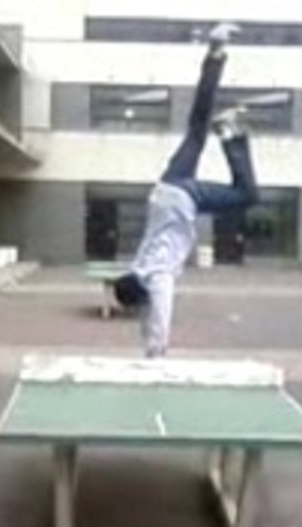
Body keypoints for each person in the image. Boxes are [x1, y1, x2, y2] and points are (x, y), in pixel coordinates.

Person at [112, 22, 259, 357]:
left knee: (248, 196)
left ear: (142, 296)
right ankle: (216, 52)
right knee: (196, 128)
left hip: (183, 200)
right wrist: (146, 333)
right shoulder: (139, 269)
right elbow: (148, 310)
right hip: (164, 189)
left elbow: (160, 314)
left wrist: (156, 351)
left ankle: (230, 136)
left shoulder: (159, 277)